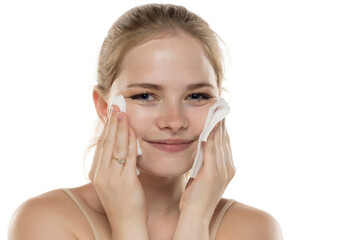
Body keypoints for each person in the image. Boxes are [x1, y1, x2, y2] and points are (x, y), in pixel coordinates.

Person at [8, 3, 282, 240]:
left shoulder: (253, 228)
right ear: (104, 107)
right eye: (145, 95)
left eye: (197, 95)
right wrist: (128, 224)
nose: (174, 121)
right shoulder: (46, 220)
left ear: (218, 107)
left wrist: (196, 219)